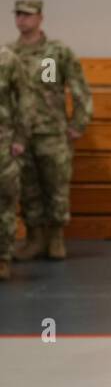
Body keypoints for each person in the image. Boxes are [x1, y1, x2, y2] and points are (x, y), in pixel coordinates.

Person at [9, 0, 92, 262]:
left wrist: (78, 123)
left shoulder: (57, 52)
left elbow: (79, 88)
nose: (23, 20)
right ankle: (35, 238)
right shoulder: (8, 54)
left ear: (40, 17)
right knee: (27, 188)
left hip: (53, 132)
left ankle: (55, 239)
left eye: (28, 15)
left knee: (56, 187)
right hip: (20, 134)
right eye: (19, 14)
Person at [0, 42, 32, 280]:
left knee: (5, 201)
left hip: (3, 141)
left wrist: (21, 137)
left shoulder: (7, 59)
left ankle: (3, 258)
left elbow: (24, 99)